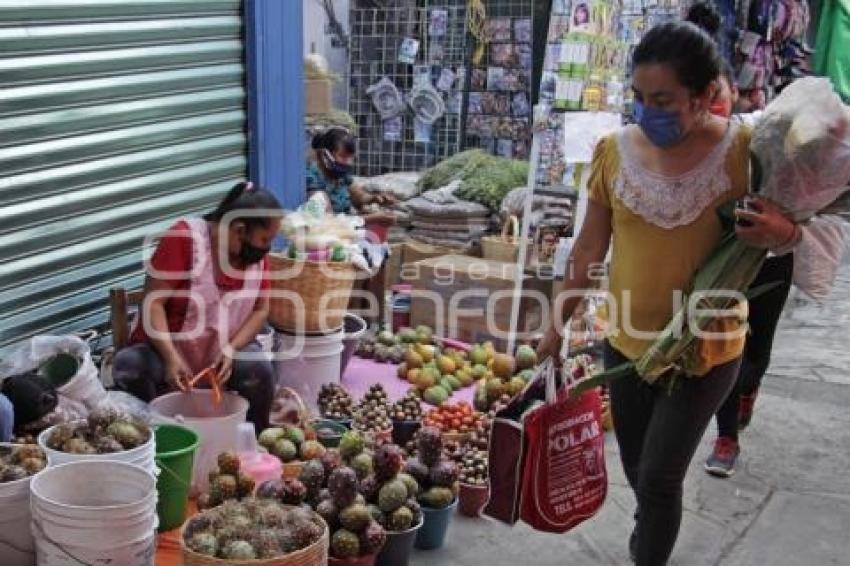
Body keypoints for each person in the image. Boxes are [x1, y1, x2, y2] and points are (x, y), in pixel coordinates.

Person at [536, 22, 798, 566]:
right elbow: (587, 252)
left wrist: (784, 233)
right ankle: (650, 532)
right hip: (627, 348)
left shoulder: (745, 154)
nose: (646, 110)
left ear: (705, 96)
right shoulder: (613, 153)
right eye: (638, 97)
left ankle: (646, 554)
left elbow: (790, 232)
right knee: (637, 470)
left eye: (663, 100)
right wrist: (554, 329)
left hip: (706, 350)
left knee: (658, 478)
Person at [114, 182, 280, 431]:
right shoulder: (184, 239)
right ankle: (153, 441)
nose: (267, 248)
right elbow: (153, 303)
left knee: (259, 371)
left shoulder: (254, 255)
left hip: (221, 354)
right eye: (265, 240)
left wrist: (232, 349)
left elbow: (261, 310)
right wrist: (170, 357)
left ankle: (254, 445)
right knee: (130, 367)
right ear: (238, 230)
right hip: (165, 349)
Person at [307, 127, 396, 226]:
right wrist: (371, 219)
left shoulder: (341, 175)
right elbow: (329, 223)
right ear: (326, 155)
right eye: (343, 156)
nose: (349, 162)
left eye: (351, 157)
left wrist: (375, 198)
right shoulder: (313, 179)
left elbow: (359, 197)